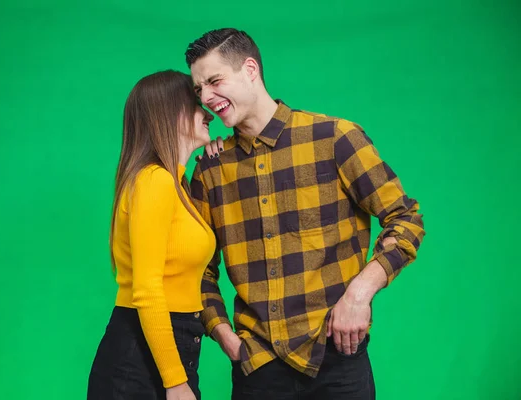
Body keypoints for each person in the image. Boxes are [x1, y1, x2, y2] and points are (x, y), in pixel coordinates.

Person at [186, 28, 426, 399]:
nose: (206, 97)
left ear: (250, 69)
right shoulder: (211, 169)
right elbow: (197, 267)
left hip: (337, 357)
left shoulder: (334, 137)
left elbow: (405, 217)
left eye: (215, 81)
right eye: (199, 89)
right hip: (258, 368)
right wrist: (226, 338)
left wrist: (359, 294)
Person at [87, 70, 216, 400]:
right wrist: (174, 381)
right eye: (197, 103)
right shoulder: (154, 182)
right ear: (171, 113)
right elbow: (146, 288)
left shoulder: (176, 185)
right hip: (143, 354)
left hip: (171, 343)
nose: (209, 111)